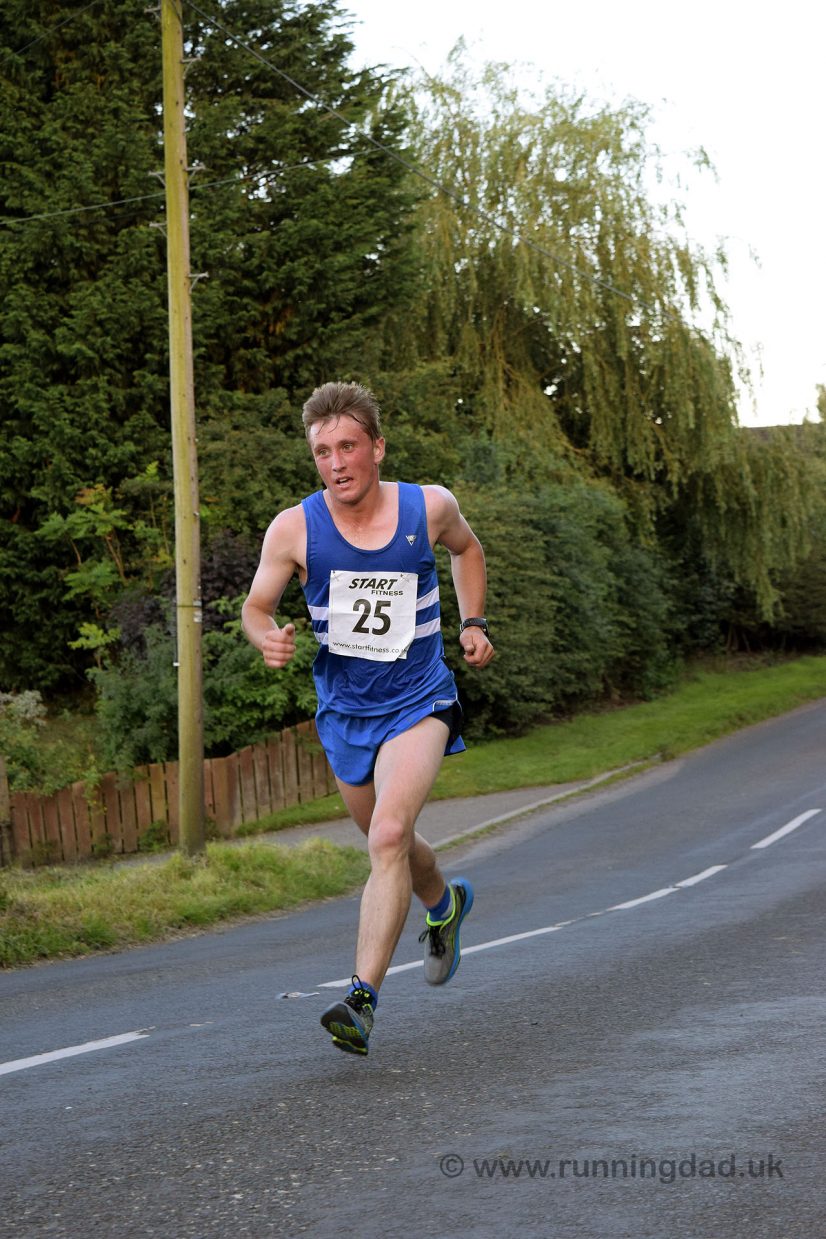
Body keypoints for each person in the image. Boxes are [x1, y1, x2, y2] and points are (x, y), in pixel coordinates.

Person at [242, 381, 494, 1056]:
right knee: (394, 845)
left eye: (348, 445)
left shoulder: (429, 506)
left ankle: (362, 999)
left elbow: (467, 550)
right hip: (346, 712)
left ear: (376, 447)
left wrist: (472, 621)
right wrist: (264, 634)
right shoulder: (294, 528)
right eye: (322, 451)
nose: (336, 462)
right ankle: (444, 904)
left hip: (419, 699)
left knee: (387, 834)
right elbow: (256, 604)